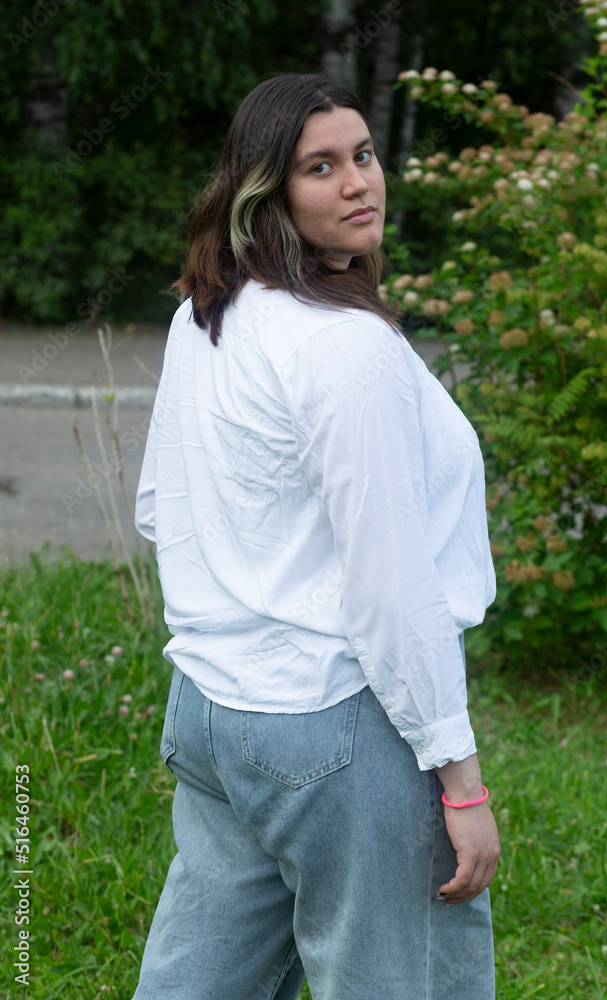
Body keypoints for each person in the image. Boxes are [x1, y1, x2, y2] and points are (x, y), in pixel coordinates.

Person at [132, 71, 500, 1000]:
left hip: (215, 714)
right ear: (266, 193)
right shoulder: (346, 349)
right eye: (320, 167)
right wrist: (460, 783)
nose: (357, 183)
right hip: (336, 727)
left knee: (199, 981)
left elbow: (158, 507)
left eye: (364, 156)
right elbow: (390, 587)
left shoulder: (204, 315)